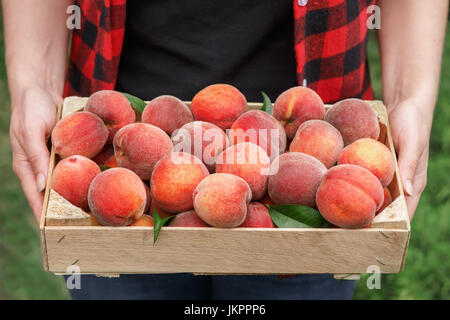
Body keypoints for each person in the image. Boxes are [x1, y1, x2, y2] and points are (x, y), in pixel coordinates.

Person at [3, 0, 447, 299]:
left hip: (320, 147)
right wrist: (31, 85)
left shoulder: (324, 166)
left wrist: (411, 96)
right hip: (122, 154)